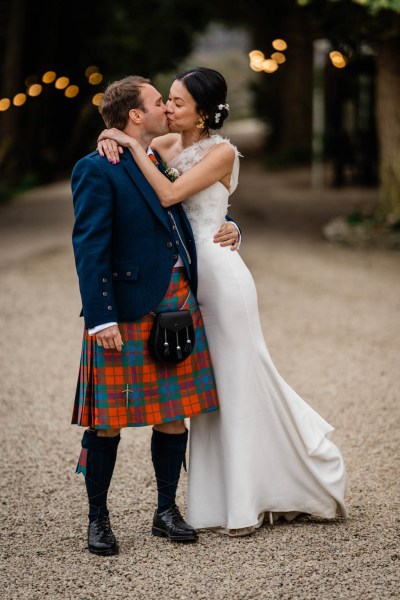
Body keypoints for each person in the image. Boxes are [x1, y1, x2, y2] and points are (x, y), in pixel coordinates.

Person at [97, 67, 348, 537]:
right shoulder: (164, 147)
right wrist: (110, 137)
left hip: (223, 279)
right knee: (203, 394)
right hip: (185, 284)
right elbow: (144, 182)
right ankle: (212, 502)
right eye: (166, 100)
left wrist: (131, 146)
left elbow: (172, 193)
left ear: (203, 112)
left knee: (237, 379)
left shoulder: (222, 152)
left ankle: (251, 499)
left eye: (177, 102)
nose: (168, 108)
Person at [71, 75, 241, 555]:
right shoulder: (96, 168)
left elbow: (191, 208)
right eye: (157, 101)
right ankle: (98, 519)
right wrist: (99, 318)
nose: (167, 107)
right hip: (123, 309)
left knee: (172, 414)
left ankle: (166, 511)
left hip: (175, 302)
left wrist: (230, 225)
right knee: (107, 421)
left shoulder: (157, 156)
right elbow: (89, 246)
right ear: (135, 116)